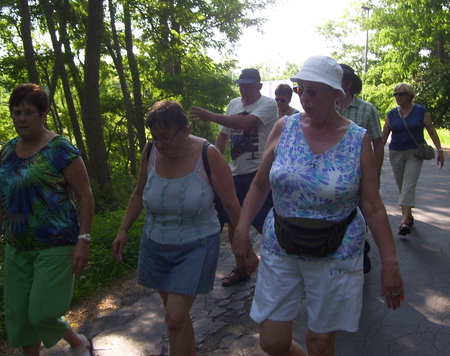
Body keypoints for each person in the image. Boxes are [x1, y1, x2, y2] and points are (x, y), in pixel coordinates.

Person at [232, 56, 404, 356]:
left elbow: (373, 207)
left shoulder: (357, 139)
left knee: (321, 343)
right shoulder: (284, 127)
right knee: (272, 342)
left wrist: (390, 262)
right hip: (281, 244)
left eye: (314, 91)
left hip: (336, 249)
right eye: (301, 89)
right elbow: (260, 184)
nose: (304, 98)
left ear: (336, 94)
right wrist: (242, 227)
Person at [112, 101, 248, 356]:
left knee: (174, 318)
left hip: (196, 245)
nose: (160, 145)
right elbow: (139, 193)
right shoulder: (150, 151)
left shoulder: (209, 155)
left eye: (166, 138)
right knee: (177, 320)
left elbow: (231, 203)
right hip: (156, 244)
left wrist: (244, 244)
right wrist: (123, 230)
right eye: (156, 138)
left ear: (185, 130)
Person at [0, 83, 95, 356]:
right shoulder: (8, 150)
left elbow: (86, 197)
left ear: (43, 113)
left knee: (42, 313)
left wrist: (83, 240)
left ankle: (78, 341)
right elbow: (4, 200)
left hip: (56, 244)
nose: (21, 118)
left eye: (29, 112)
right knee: (21, 318)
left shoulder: (60, 148)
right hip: (17, 247)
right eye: (16, 112)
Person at [190, 68, 278, 287]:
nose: (244, 89)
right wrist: (215, 166)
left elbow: (246, 124)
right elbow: (223, 134)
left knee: (262, 222)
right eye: (241, 85)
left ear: (259, 85)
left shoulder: (268, 104)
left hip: (259, 172)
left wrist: (210, 116)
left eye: (249, 85)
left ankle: (280, 264)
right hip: (235, 172)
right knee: (233, 222)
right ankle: (242, 268)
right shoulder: (233, 104)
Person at [335, 64, 383, 273]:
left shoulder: (367, 109)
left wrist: (376, 173)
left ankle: (360, 252)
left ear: (347, 83)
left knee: (361, 213)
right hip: (333, 176)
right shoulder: (327, 107)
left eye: (337, 79)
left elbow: (378, 143)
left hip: (360, 173)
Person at [382, 83, 444, 236]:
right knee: (402, 186)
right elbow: (383, 136)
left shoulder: (420, 111)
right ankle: (409, 214)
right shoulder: (391, 114)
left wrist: (440, 150)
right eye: (395, 94)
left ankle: (404, 221)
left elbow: (432, 131)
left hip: (414, 154)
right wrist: (374, 155)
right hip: (396, 153)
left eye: (401, 94)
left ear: (409, 95)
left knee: (408, 185)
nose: (397, 97)